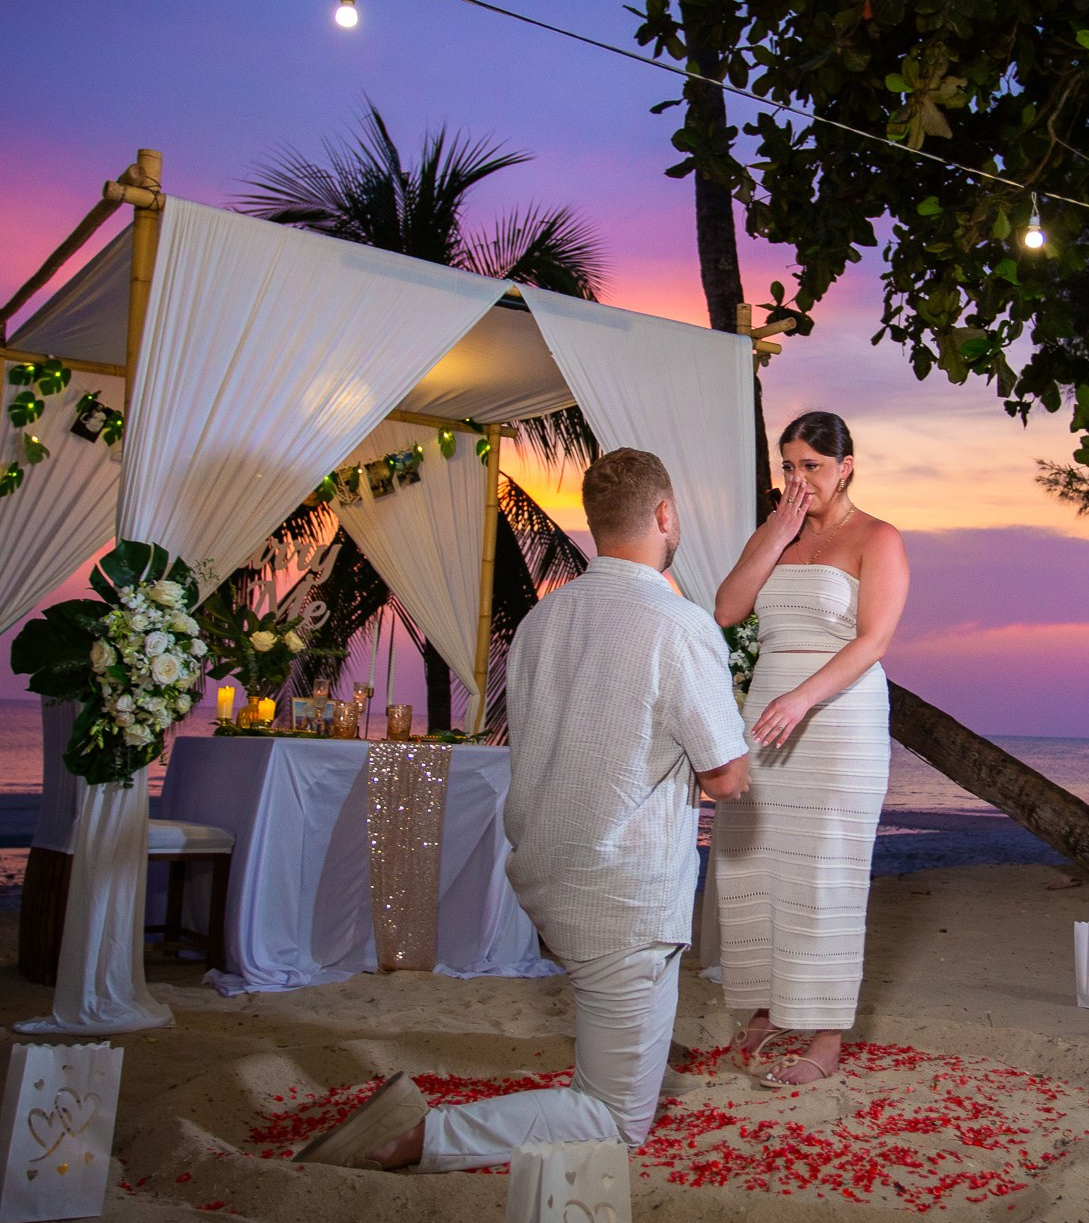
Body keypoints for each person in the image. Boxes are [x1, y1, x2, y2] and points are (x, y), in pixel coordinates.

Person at [293, 448, 751, 1171]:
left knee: (612, 1047)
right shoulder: (679, 625)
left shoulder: (545, 619)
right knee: (613, 1116)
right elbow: (725, 777)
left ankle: (582, 1078)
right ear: (664, 516)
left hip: (546, 872)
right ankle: (418, 1137)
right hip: (620, 893)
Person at [709, 411, 910, 1089]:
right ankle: (769, 1008)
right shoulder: (779, 535)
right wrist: (774, 532)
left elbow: (872, 640)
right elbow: (728, 608)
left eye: (812, 467)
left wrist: (802, 697)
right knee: (754, 861)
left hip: (836, 718)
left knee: (827, 869)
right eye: (788, 466)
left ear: (846, 464)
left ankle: (825, 1031)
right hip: (765, 717)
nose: (798, 480)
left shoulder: (876, 538)